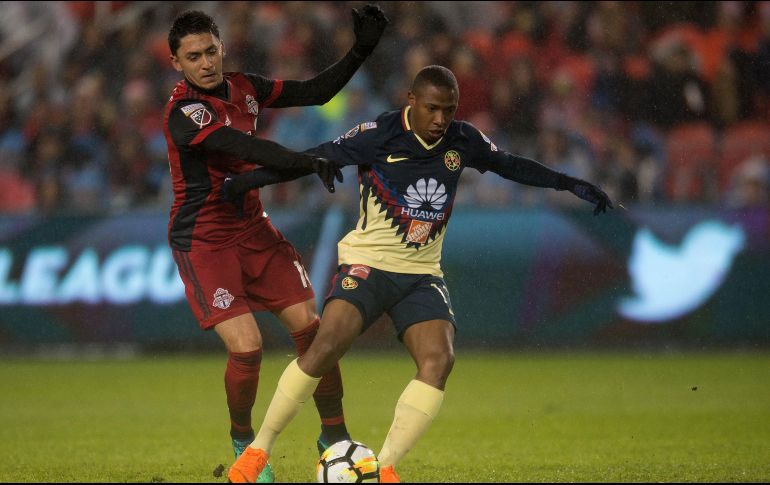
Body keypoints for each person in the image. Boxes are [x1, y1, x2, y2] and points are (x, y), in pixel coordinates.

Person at [223, 65, 613, 483]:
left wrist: (567, 183)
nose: (441, 119)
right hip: (368, 265)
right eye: (432, 109)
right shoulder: (378, 133)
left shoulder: (463, 139)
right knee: (323, 348)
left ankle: (385, 468)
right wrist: (246, 184)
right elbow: (309, 159)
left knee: (439, 360)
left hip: (421, 274)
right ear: (412, 101)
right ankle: (258, 452)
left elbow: (509, 164)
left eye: (449, 110)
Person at [162, 6, 388, 482]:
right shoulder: (184, 112)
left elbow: (316, 91)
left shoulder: (246, 88)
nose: (204, 62)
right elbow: (245, 149)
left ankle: (334, 436)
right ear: (176, 64)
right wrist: (307, 161)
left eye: (209, 51)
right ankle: (246, 445)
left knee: (315, 332)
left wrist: (361, 49)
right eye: (192, 56)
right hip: (204, 240)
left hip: (254, 231)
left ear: (221, 47)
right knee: (246, 350)